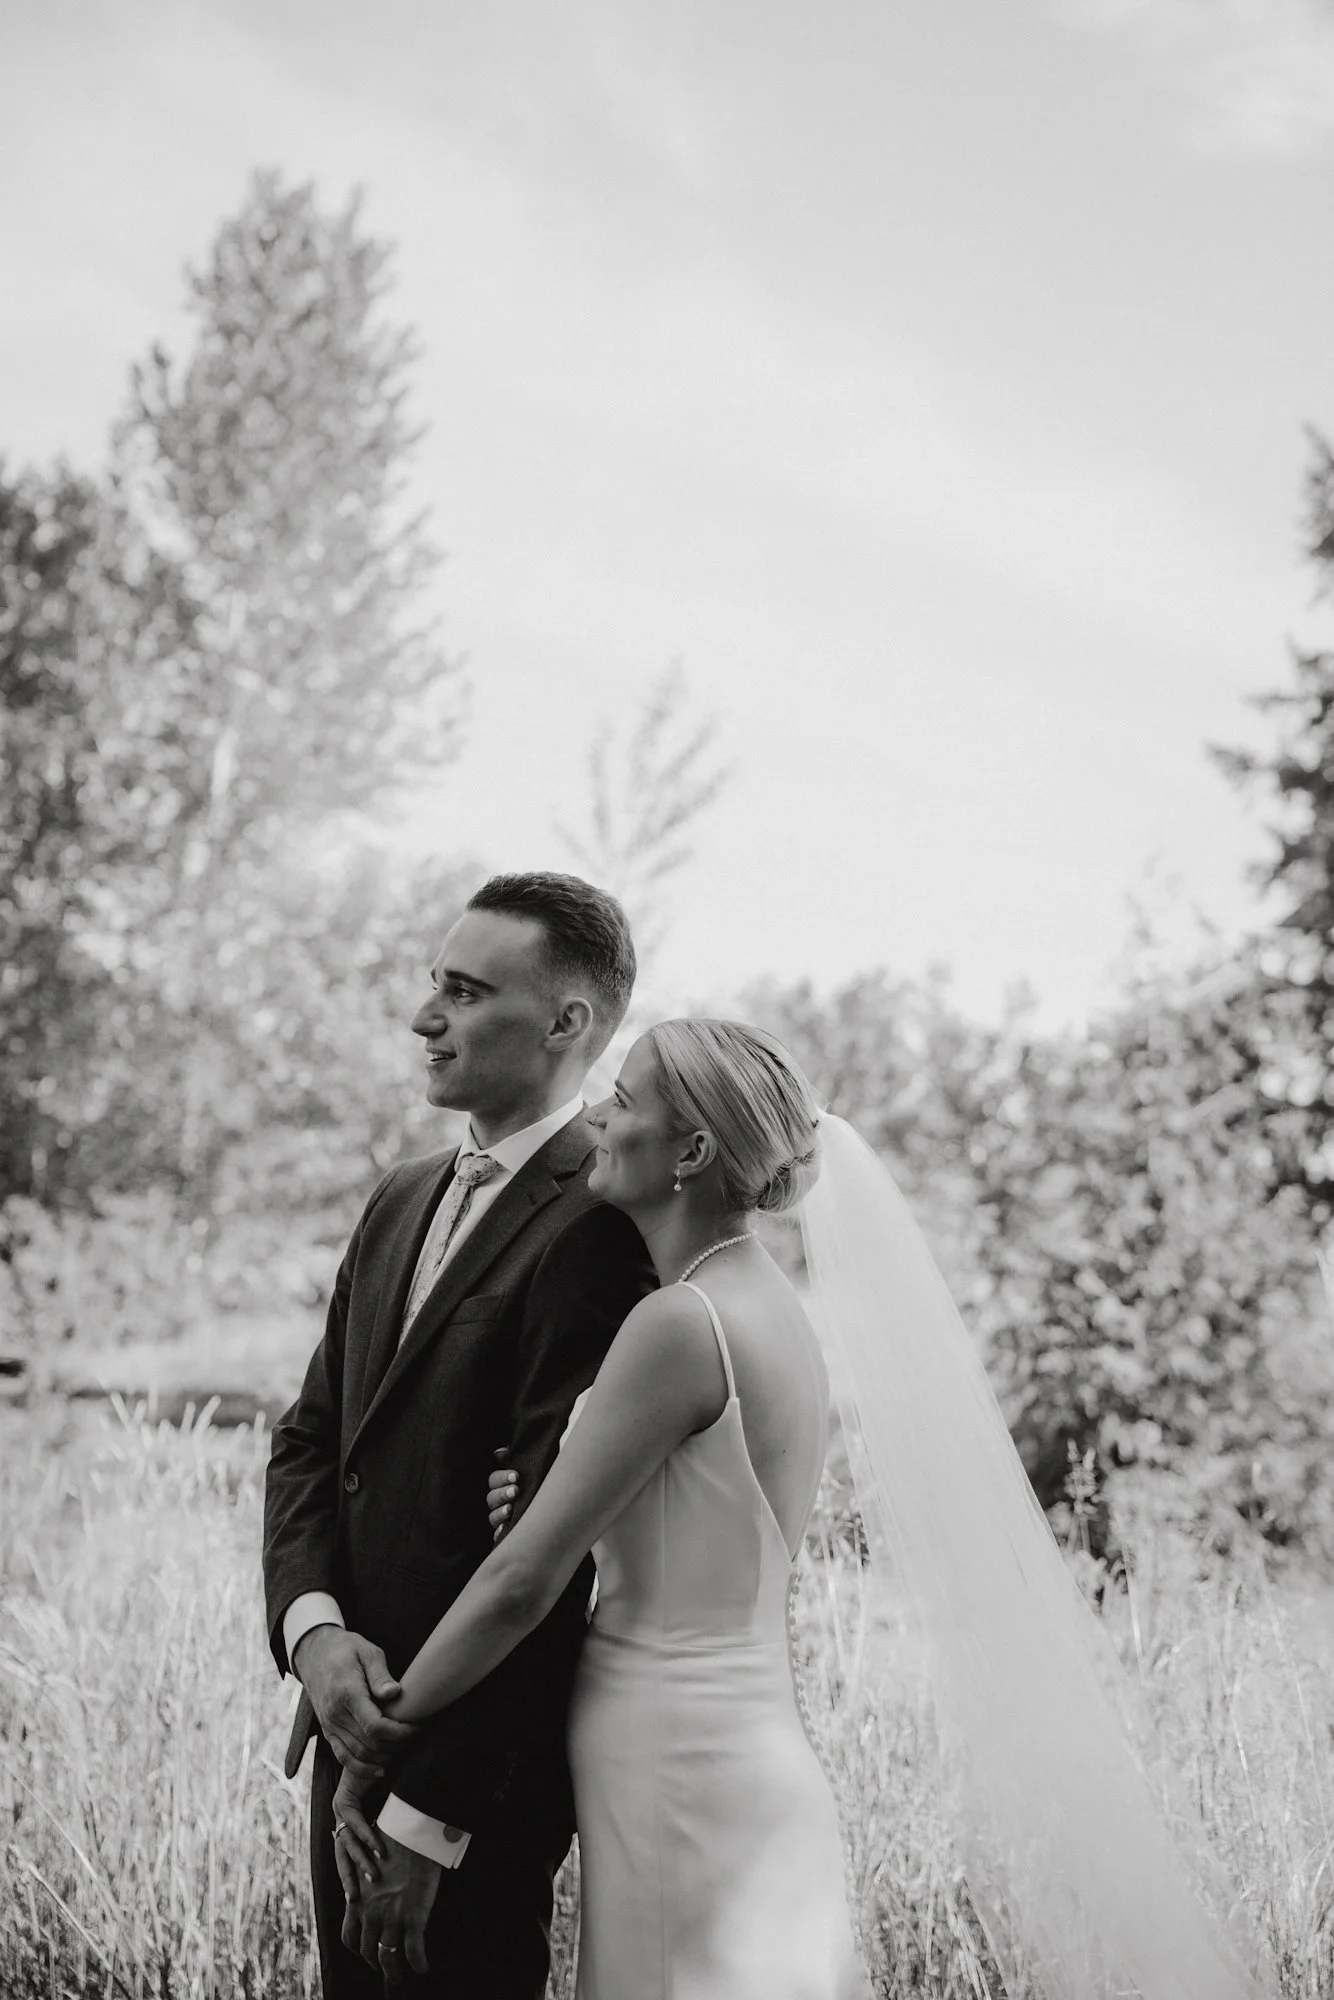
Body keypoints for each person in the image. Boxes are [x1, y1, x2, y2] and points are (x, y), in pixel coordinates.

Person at [334, 1018, 870, 2000]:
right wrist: (553, 1489)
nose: (599, 1119)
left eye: (622, 1101)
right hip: (739, 1745)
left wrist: (380, 1742)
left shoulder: (674, 1322)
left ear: (692, 1152)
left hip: (672, 1759)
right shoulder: (769, 1309)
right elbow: (689, 1511)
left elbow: (518, 1580)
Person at [262, 872, 655, 2000]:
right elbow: (312, 1438)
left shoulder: (605, 1216)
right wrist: (314, 1630)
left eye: (465, 991)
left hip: (467, 1780)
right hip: (348, 1722)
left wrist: (431, 1818)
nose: (423, 1015)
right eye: (433, 982)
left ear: (566, 1022)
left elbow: (551, 1557)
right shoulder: (398, 1194)